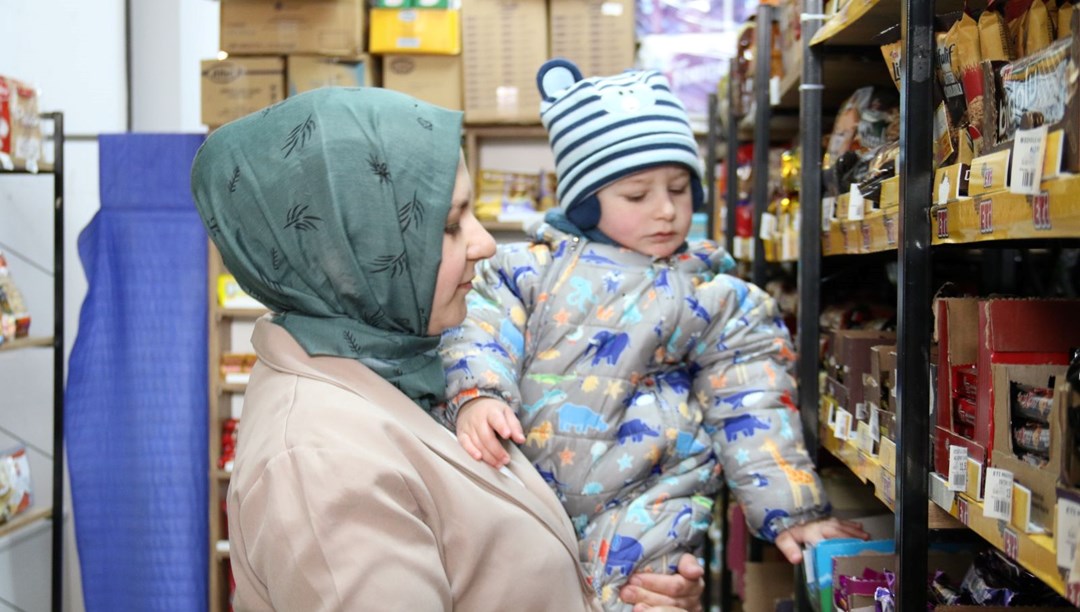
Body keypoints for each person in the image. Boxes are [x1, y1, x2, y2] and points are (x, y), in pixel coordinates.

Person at [190, 86, 706, 611]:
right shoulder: (322, 467)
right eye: (450, 225)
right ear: (352, 249)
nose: (486, 244)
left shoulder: (408, 358)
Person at [437, 60, 868, 609]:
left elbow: (752, 399)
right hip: (524, 486)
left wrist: (793, 509)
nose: (665, 210)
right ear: (585, 202)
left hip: (649, 502)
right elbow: (478, 329)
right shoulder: (526, 270)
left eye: (680, 189)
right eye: (637, 195)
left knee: (642, 597)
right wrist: (477, 395)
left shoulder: (712, 295)